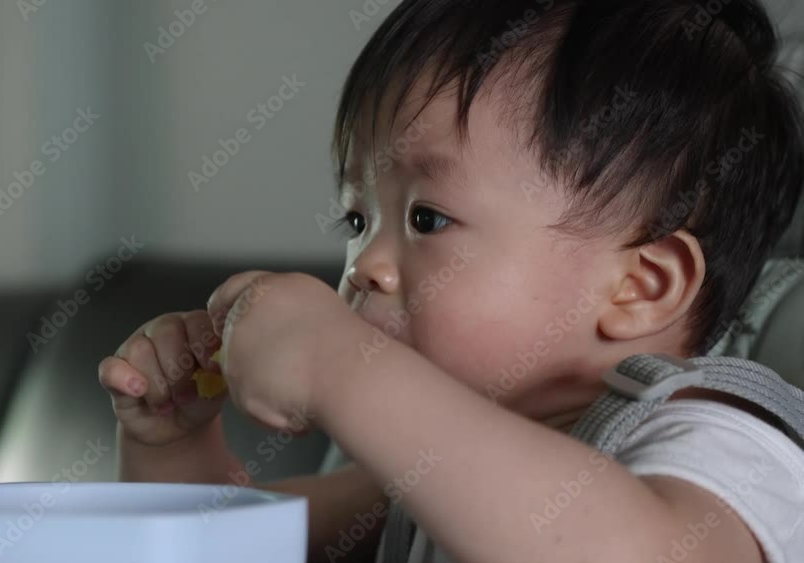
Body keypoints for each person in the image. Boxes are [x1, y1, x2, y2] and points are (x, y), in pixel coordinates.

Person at [98, 1, 804, 561]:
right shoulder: (431, 473)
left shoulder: (716, 439)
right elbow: (218, 548)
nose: (364, 267)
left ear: (640, 286)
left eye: (428, 219)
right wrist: (176, 442)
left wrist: (337, 363)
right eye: (356, 222)